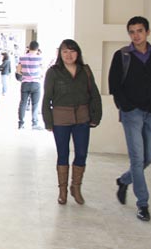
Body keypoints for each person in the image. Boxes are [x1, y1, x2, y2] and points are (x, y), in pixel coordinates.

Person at [109, 16, 151, 222]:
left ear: (148, 32)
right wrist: (125, 106)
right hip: (131, 114)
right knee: (137, 158)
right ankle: (143, 204)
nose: (136, 35)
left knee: (149, 157)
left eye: (139, 31)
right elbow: (114, 85)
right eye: (132, 32)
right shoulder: (122, 55)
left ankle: (124, 180)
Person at [42, 39, 102, 205]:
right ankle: (62, 190)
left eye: (72, 51)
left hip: (82, 118)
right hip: (61, 118)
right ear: (60, 54)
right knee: (63, 154)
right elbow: (47, 97)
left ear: (78, 53)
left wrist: (96, 117)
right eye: (65, 51)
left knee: (81, 153)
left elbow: (94, 95)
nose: (69, 55)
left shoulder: (85, 70)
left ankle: (76, 187)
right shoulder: (53, 72)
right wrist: (48, 121)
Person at [17, 40, 44, 130]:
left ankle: (21, 123)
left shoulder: (22, 58)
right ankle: (34, 123)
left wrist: (24, 73)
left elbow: (18, 71)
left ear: (29, 47)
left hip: (25, 83)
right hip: (36, 83)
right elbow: (42, 70)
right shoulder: (39, 58)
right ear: (37, 48)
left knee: (23, 103)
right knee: (35, 104)